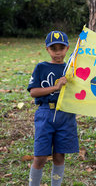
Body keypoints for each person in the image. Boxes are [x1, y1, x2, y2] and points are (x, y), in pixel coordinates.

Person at [27, 31, 79, 186]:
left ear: (67, 48)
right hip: (45, 113)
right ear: (47, 49)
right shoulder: (41, 67)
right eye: (53, 48)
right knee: (40, 157)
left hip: (66, 114)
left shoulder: (70, 69)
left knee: (59, 156)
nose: (57, 52)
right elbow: (33, 91)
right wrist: (55, 87)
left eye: (61, 48)